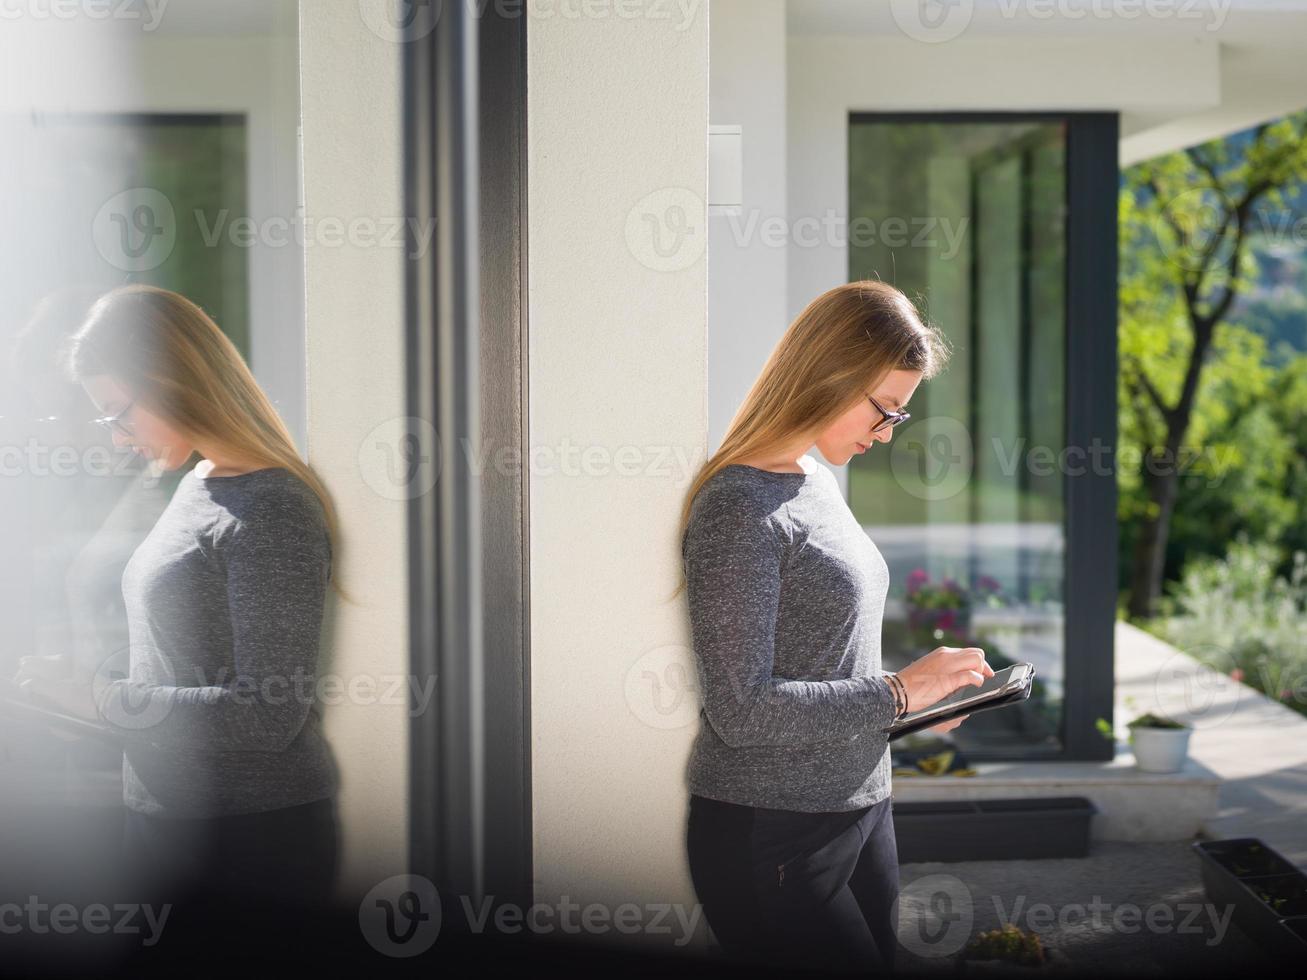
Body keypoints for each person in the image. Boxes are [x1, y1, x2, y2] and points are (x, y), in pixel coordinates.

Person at [674, 279, 993, 974]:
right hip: (772, 833)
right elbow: (741, 710)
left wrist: (913, 708)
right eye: (884, 410)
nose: (884, 434)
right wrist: (897, 694)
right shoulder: (739, 508)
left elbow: (829, 664)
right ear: (828, 372)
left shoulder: (811, 479)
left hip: (860, 806)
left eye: (898, 418)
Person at [12, 284, 343, 935]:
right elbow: (179, 658)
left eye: (118, 414)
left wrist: (102, 699)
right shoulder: (197, 482)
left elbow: (268, 712)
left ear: (170, 380)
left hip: (248, 846)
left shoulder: (271, 509)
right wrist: (72, 691)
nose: (115, 438)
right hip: (168, 825)